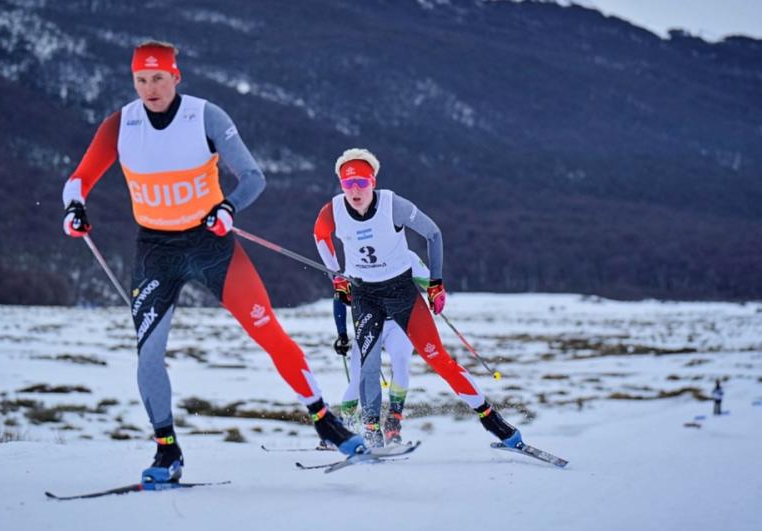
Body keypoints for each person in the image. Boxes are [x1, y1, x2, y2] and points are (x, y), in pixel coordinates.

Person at [61, 40, 363, 483]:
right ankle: (167, 451)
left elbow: (253, 177)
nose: (150, 88)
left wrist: (228, 208)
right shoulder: (120, 125)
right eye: (141, 80)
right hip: (155, 252)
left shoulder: (205, 117)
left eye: (158, 77)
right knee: (148, 357)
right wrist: (75, 209)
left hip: (212, 244)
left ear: (175, 76)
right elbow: (78, 180)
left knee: (268, 333)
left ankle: (327, 423)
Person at [313, 148, 524, 450]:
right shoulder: (331, 211)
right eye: (348, 184)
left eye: (362, 182)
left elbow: (433, 233)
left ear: (373, 182)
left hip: (401, 294)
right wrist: (337, 276)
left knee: (438, 359)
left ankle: (497, 425)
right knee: (368, 365)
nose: (355, 191)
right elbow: (320, 236)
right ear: (341, 186)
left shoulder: (392, 205)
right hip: (364, 295)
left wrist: (435, 283)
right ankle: (372, 432)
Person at [332, 251, 429, 446]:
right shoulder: (356, 255)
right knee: (358, 379)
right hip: (369, 322)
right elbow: (338, 298)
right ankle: (345, 428)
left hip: (397, 324)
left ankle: (393, 423)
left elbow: (427, 278)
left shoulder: (405, 255)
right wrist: (342, 334)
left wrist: (434, 291)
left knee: (401, 364)